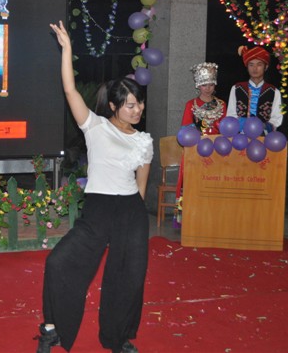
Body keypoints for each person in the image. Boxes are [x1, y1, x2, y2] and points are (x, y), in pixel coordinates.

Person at [36, 21, 153, 353]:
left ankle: (117, 338)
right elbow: (70, 90)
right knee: (59, 263)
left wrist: (134, 218)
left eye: (139, 103)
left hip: (130, 210)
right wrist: (67, 49)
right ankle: (52, 328)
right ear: (114, 106)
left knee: (128, 277)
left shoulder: (144, 141)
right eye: (130, 104)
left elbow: (141, 185)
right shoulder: (95, 126)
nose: (137, 109)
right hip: (98, 209)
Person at [175, 62, 226, 202]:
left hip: (217, 150)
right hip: (195, 150)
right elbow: (185, 129)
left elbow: (226, 130)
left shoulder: (222, 105)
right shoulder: (191, 105)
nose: (208, 88)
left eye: (211, 84)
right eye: (204, 85)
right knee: (194, 184)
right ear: (198, 85)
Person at [227, 46, 283, 133]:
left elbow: (276, 119)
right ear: (247, 67)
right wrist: (244, 124)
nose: (255, 68)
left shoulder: (274, 91)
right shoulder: (237, 88)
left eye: (259, 64)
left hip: (264, 137)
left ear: (266, 67)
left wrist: (262, 126)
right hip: (240, 136)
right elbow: (231, 115)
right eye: (251, 65)